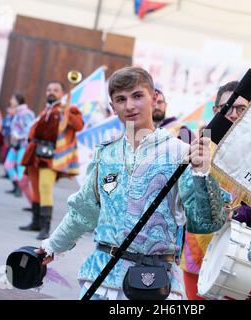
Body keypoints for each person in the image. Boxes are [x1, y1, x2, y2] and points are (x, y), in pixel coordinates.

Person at [35, 66, 228, 300]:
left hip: (154, 283)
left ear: (154, 98)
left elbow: (205, 222)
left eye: (137, 96)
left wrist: (202, 173)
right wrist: (53, 247)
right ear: (112, 106)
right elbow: (83, 212)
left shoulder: (181, 153)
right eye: (121, 99)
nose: (129, 106)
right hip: (100, 279)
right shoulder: (106, 154)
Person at [179, 81, 251, 300]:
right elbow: (187, 203)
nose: (234, 114)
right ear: (216, 111)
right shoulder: (197, 148)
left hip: (248, 261)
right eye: (227, 108)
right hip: (199, 256)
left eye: (241, 109)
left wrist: (234, 215)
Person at [19, 81, 84, 240]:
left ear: (62, 93)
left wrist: (68, 112)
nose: (51, 92)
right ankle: (35, 222)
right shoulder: (46, 110)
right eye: (49, 89)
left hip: (51, 156)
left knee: (46, 187)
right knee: (36, 189)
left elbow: (78, 125)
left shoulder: (67, 109)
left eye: (55, 90)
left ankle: (45, 227)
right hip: (35, 154)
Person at [3, 93, 35, 197]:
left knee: (21, 168)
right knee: (8, 165)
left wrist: (18, 136)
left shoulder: (26, 113)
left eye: (12, 98)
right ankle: (17, 185)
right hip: (15, 145)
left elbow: (30, 128)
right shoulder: (16, 113)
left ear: (18, 100)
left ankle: (22, 189)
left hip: (23, 145)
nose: (11, 100)